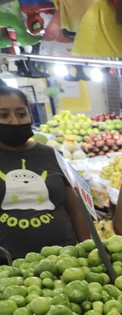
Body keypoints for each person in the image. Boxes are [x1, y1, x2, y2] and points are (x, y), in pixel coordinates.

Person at [0, 85, 89, 261]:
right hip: (9, 266)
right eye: (3, 115)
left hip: (67, 260)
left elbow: (77, 210)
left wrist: (88, 251)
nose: (15, 122)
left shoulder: (53, 155)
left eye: (21, 114)